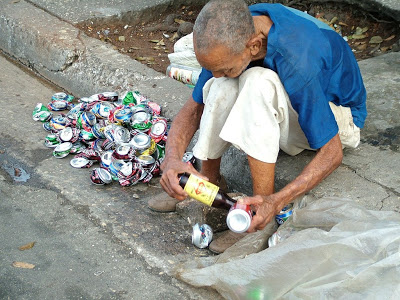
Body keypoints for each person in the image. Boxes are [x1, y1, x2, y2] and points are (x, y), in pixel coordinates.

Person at [148, 0, 367, 253]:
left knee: (257, 83)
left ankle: (258, 215)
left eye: (224, 68)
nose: (217, 73)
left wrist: (276, 201)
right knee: (221, 85)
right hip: (291, 99)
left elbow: (332, 152)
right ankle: (208, 185)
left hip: (340, 118)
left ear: (254, 46)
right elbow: (193, 108)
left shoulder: (297, 59)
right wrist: (173, 160)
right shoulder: (236, 30)